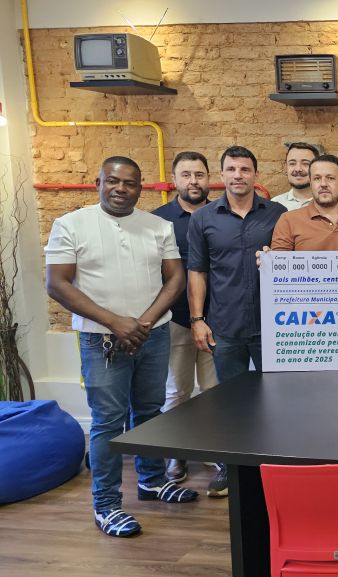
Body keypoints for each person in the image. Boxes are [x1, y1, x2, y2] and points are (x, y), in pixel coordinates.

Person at [45, 156, 198, 537]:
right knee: (108, 422)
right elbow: (57, 284)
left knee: (150, 411)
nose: (120, 189)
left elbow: (175, 278)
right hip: (102, 339)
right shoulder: (71, 224)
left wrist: (143, 323)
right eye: (112, 181)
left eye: (129, 183)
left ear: (140, 187)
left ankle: (152, 481)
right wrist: (115, 322)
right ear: (98, 182)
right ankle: (106, 505)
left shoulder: (158, 226)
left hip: (153, 333)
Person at [187, 146, 286, 496]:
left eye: (245, 169)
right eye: (231, 169)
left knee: (278, 401)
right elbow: (197, 271)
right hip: (225, 326)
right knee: (231, 404)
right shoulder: (203, 218)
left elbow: (291, 260)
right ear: (222, 175)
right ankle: (232, 470)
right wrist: (197, 319)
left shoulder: (277, 214)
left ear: (256, 175)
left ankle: (277, 468)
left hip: (272, 326)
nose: (238, 175)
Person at [151, 151, 219, 484]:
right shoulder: (157, 221)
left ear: (209, 178)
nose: (194, 181)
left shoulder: (220, 214)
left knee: (214, 391)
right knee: (176, 391)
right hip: (175, 319)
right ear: (175, 180)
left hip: (216, 320)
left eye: (199, 175)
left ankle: (213, 450)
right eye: (186, 175)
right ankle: (175, 454)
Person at [270, 154, 338, 251]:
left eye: (330, 178)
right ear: (311, 183)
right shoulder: (288, 220)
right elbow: (279, 259)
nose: (323, 184)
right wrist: (267, 258)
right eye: (317, 178)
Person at [272, 142, 320, 211]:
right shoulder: (275, 204)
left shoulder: (329, 203)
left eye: (305, 164)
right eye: (292, 163)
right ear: (286, 167)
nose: (298, 169)